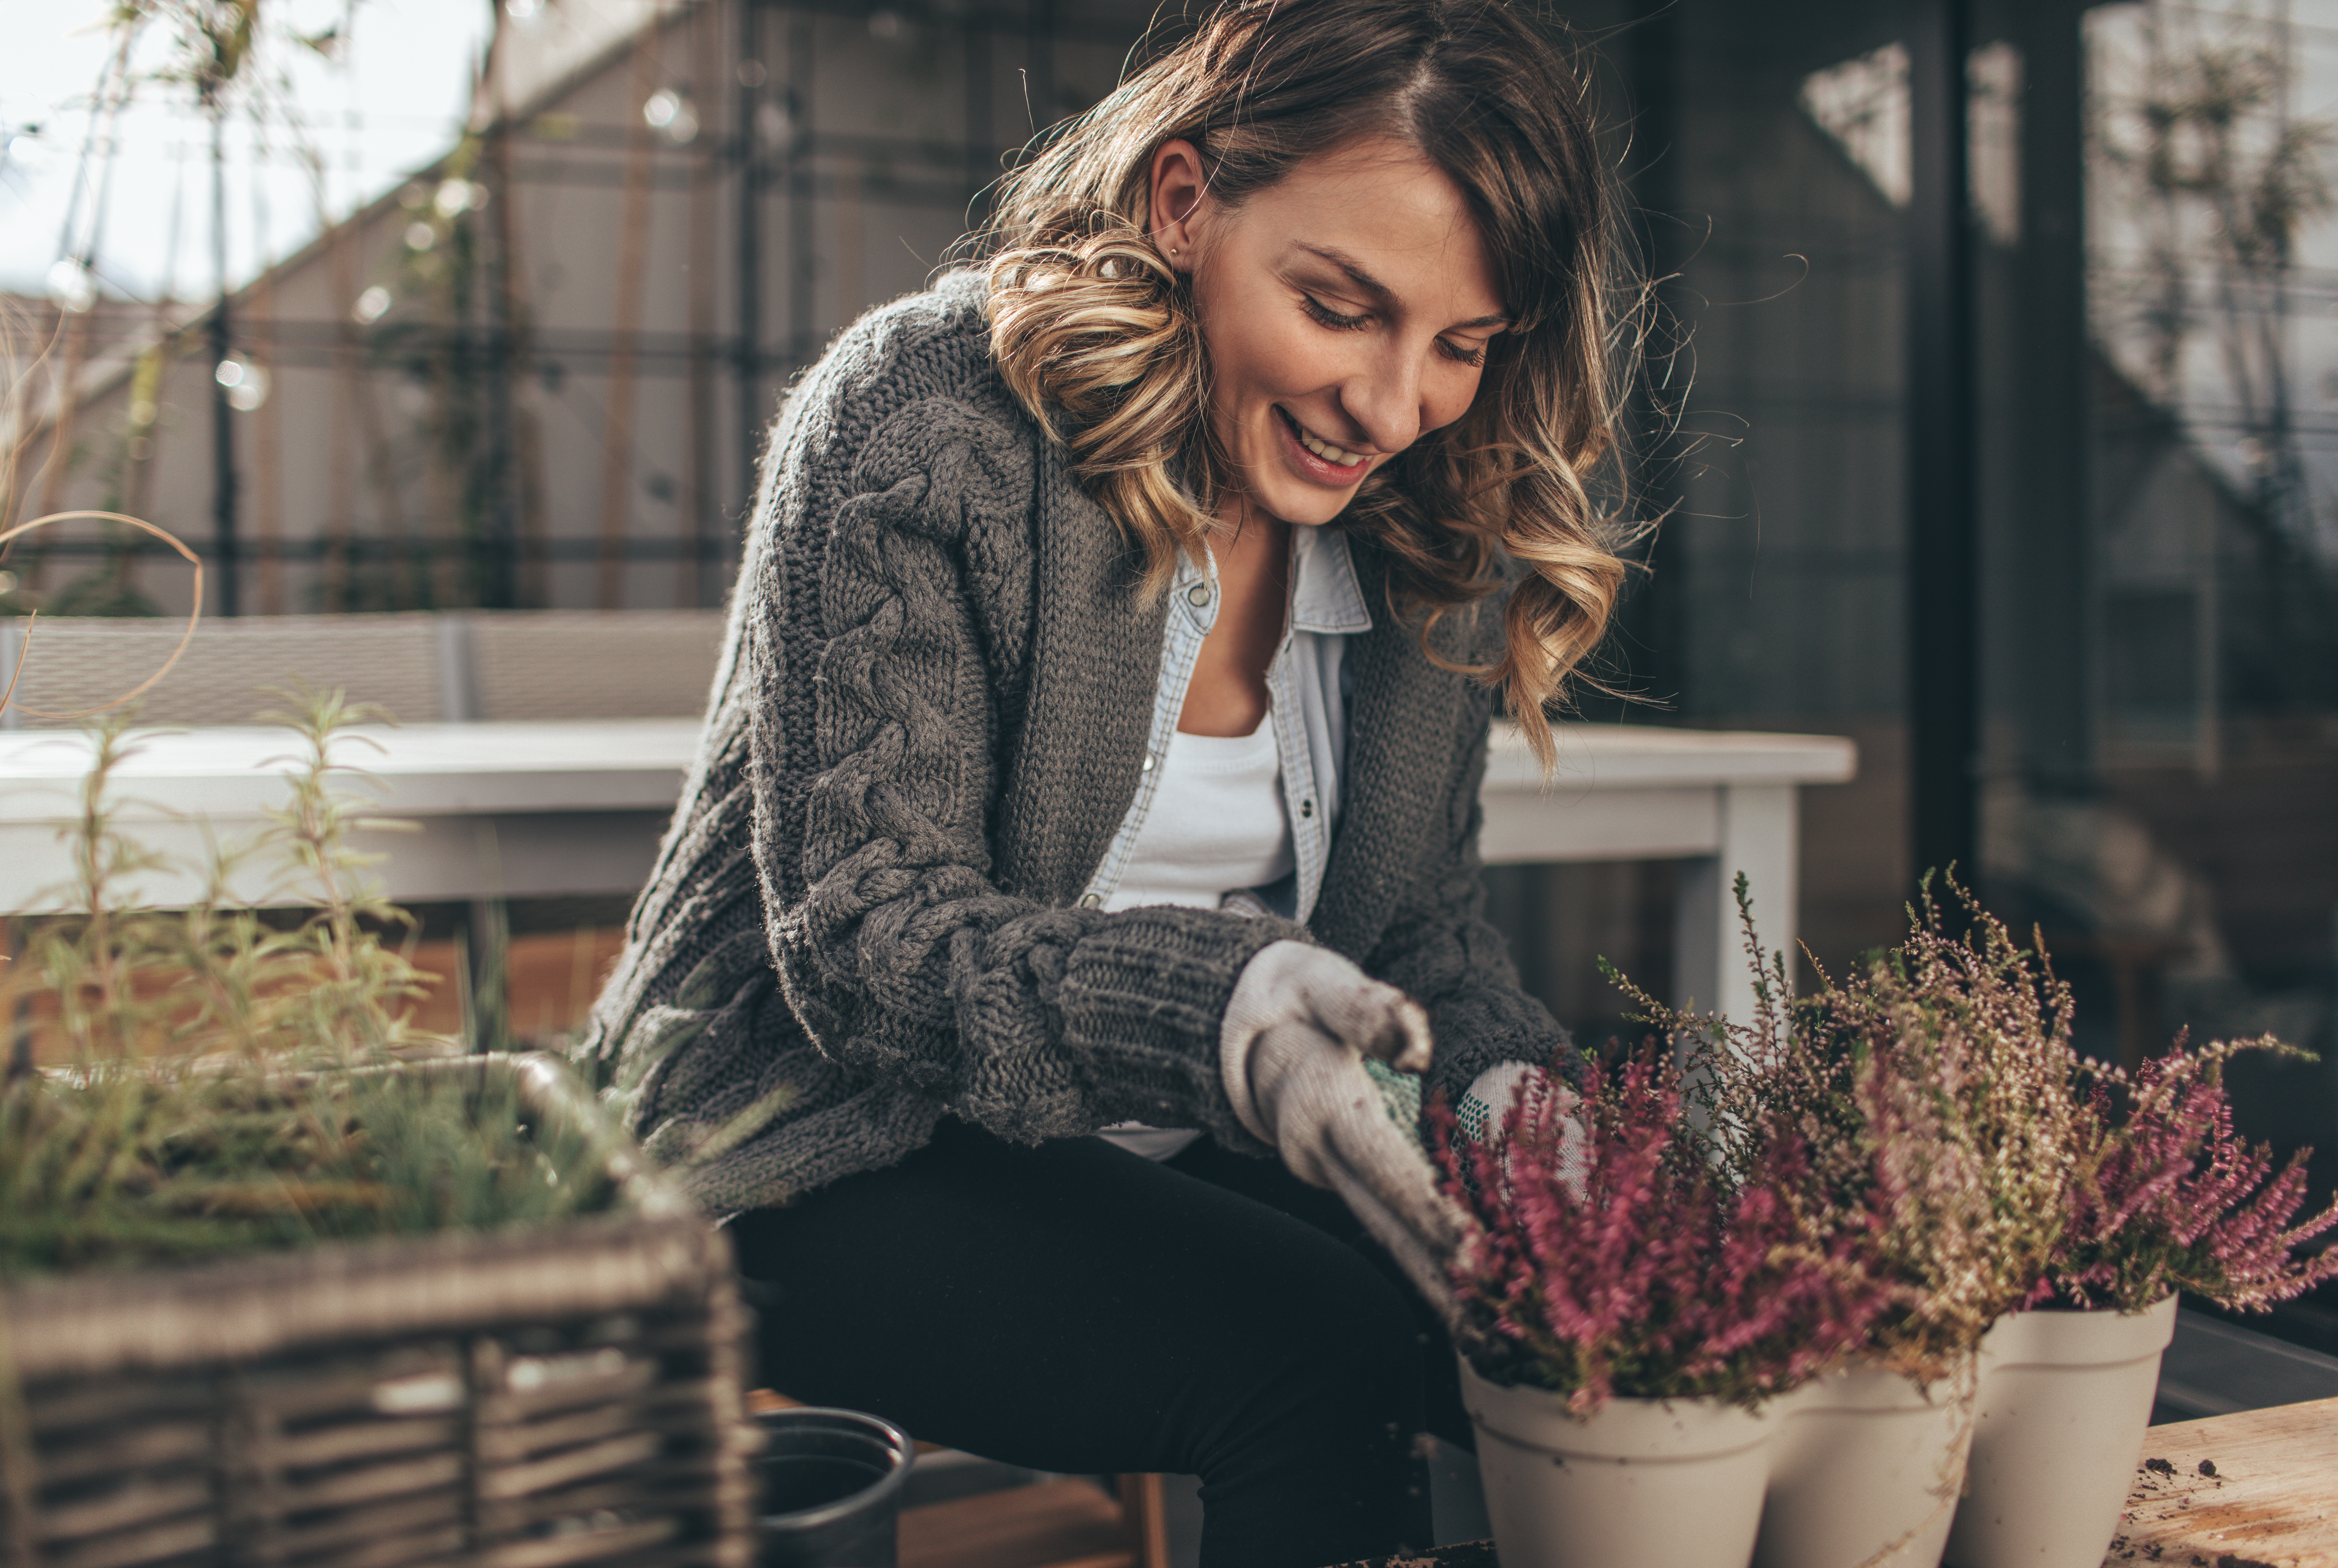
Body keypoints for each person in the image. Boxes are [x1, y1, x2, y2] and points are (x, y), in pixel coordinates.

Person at [580, 1, 1631, 1560]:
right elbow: (870, 942)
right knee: (1311, 1352)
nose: (1395, 405)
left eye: (1463, 346)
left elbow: (1418, 937)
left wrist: (1506, 1099)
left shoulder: (1427, 527)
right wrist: (1226, 1016)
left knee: (1558, 1327)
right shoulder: (928, 421)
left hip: (1139, 1135)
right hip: (802, 1138)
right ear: (1186, 202)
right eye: (1341, 307)